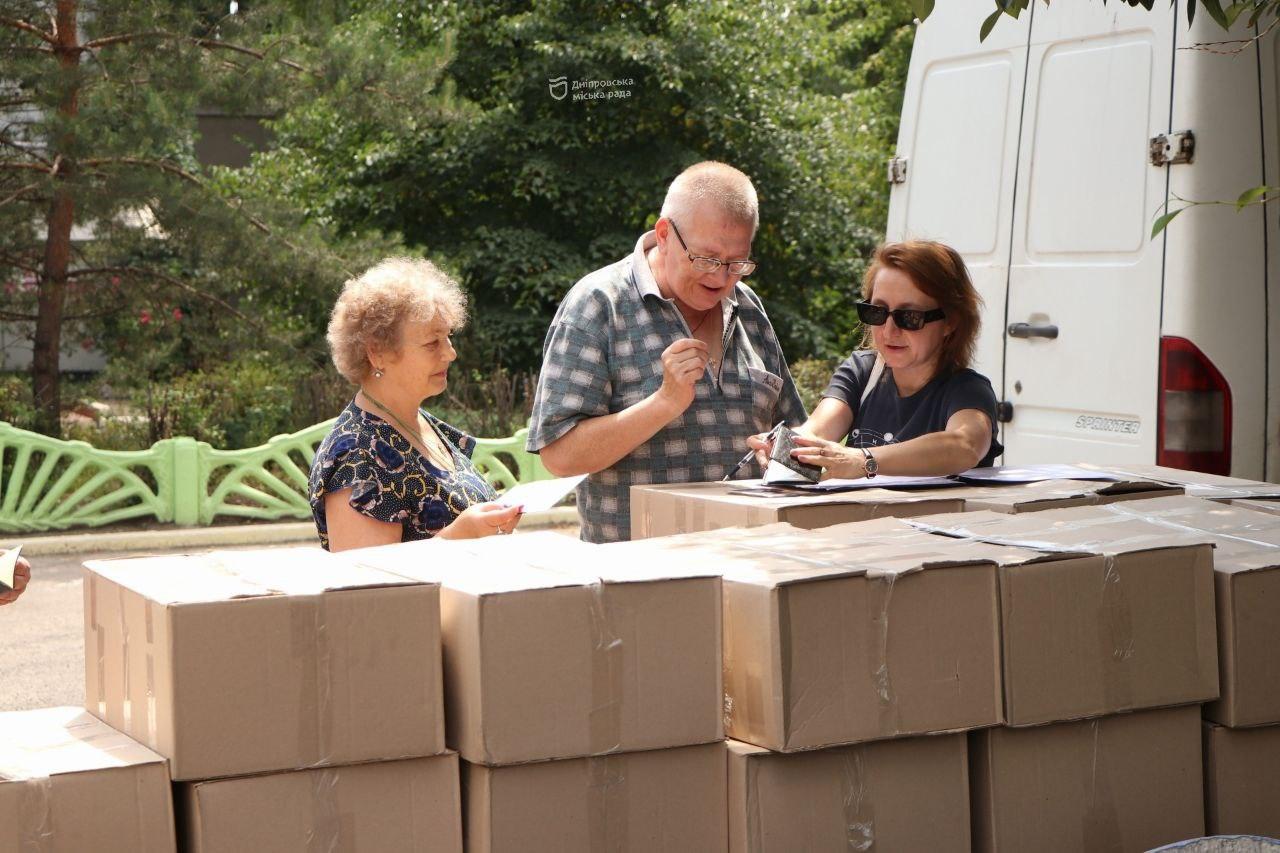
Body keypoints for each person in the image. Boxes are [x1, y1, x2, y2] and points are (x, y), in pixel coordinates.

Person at [527, 161, 807, 543]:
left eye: (737, 263)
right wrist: (664, 402)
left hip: (747, 563)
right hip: (638, 575)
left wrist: (784, 453)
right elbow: (558, 455)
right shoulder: (599, 304)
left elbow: (794, 429)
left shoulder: (748, 307)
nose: (721, 278)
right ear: (663, 234)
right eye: (706, 259)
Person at [309, 258, 523, 552]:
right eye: (432, 343)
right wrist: (460, 537)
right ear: (378, 352)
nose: (451, 353)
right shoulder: (356, 453)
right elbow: (366, 585)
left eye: (448, 337)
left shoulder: (420, 423)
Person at [750, 240, 1002, 478]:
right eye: (877, 312)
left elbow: (964, 445)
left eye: (909, 317)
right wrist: (781, 444)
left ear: (951, 322)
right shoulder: (863, 370)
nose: (889, 331)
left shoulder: (968, 390)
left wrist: (864, 461)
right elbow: (816, 430)